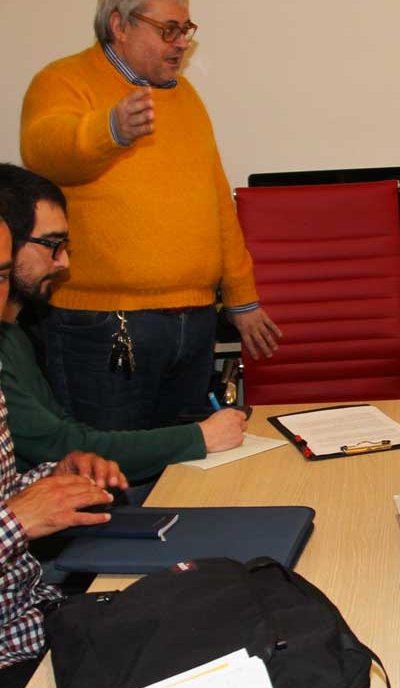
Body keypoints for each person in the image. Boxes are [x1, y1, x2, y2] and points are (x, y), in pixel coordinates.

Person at [20, 0, 280, 432]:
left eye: (185, 30)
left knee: (185, 474)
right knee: (109, 478)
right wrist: (110, 130)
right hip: (102, 327)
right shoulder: (63, 81)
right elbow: (45, 153)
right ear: (119, 24)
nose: (181, 42)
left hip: (194, 322)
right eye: (168, 30)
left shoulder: (187, 99)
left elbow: (218, 203)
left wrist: (242, 297)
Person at [0, 165, 246, 481]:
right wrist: (200, 438)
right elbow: (57, 444)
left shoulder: (14, 334)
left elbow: (63, 434)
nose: (64, 263)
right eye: (52, 244)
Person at [0, 211, 128, 688]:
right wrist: (16, 520)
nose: (8, 296)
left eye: (6, 275)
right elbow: (12, 519)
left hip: (40, 621)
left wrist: (54, 478)